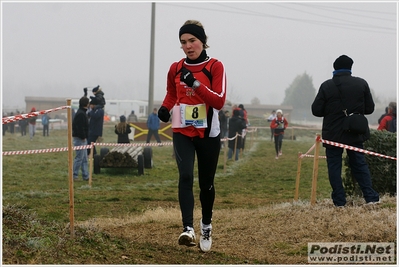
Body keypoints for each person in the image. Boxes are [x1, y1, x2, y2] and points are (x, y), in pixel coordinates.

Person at [157, 20, 226, 252]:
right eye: (183, 42)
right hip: (181, 131)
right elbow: (171, 93)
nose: (188, 46)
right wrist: (165, 108)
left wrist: (194, 83)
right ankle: (188, 229)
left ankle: (206, 224)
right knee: (185, 176)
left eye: (192, 41)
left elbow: (218, 100)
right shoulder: (175, 68)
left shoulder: (215, 66)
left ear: (203, 41)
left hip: (208, 133)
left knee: (206, 184)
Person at [311, 54, 379, 207]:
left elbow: (316, 110)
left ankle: (339, 201)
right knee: (359, 165)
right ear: (350, 68)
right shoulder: (361, 84)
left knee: (334, 167)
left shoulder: (326, 86)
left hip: (333, 134)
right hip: (354, 131)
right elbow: (369, 109)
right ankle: (370, 197)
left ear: (334, 68)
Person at [72, 96, 90, 181]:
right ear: (86, 104)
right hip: (80, 139)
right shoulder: (81, 114)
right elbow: (79, 127)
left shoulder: (82, 113)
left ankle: (85, 175)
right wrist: (83, 136)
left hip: (82, 138)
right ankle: (74, 175)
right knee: (79, 158)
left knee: (84, 159)